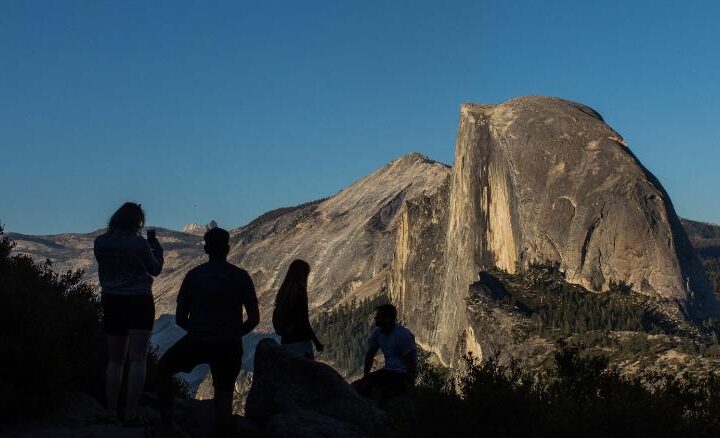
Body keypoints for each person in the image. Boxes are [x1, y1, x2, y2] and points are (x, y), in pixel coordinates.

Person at [157, 227, 259, 433]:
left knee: (163, 369)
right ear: (228, 248)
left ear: (206, 249)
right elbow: (254, 318)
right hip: (229, 344)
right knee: (224, 396)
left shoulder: (194, 276)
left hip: (197, 341)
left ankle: (167, 423)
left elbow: (179, 317)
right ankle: (224, 429)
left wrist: (196, 330)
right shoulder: (241, 276)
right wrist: (234, 333)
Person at [93, 202, 164, 423]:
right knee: (138, 359)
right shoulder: (139, 244)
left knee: (115, 360)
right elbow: (155, 269)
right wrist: (157, 250)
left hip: (112, 300)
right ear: (137, 222)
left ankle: (111, 410)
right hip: (139, 300)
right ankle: (131, 412)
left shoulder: (100, 243)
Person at [354, 304, 417, 405]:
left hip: (400, 374)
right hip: (388, 371)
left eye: (379, 316)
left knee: (376, 392)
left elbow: (411, 362)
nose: (375, 318)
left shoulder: (402, 335)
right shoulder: (378, 334)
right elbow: (370, 355)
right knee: (359, 386)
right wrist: (366, 377)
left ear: (387, 319)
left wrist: (408, 385)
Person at [272, 259, 324, 359]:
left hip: (286, 341)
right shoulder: (299, 292)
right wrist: (316, 342)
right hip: (300, 342)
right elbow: (304, 321)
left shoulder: (283, 292)